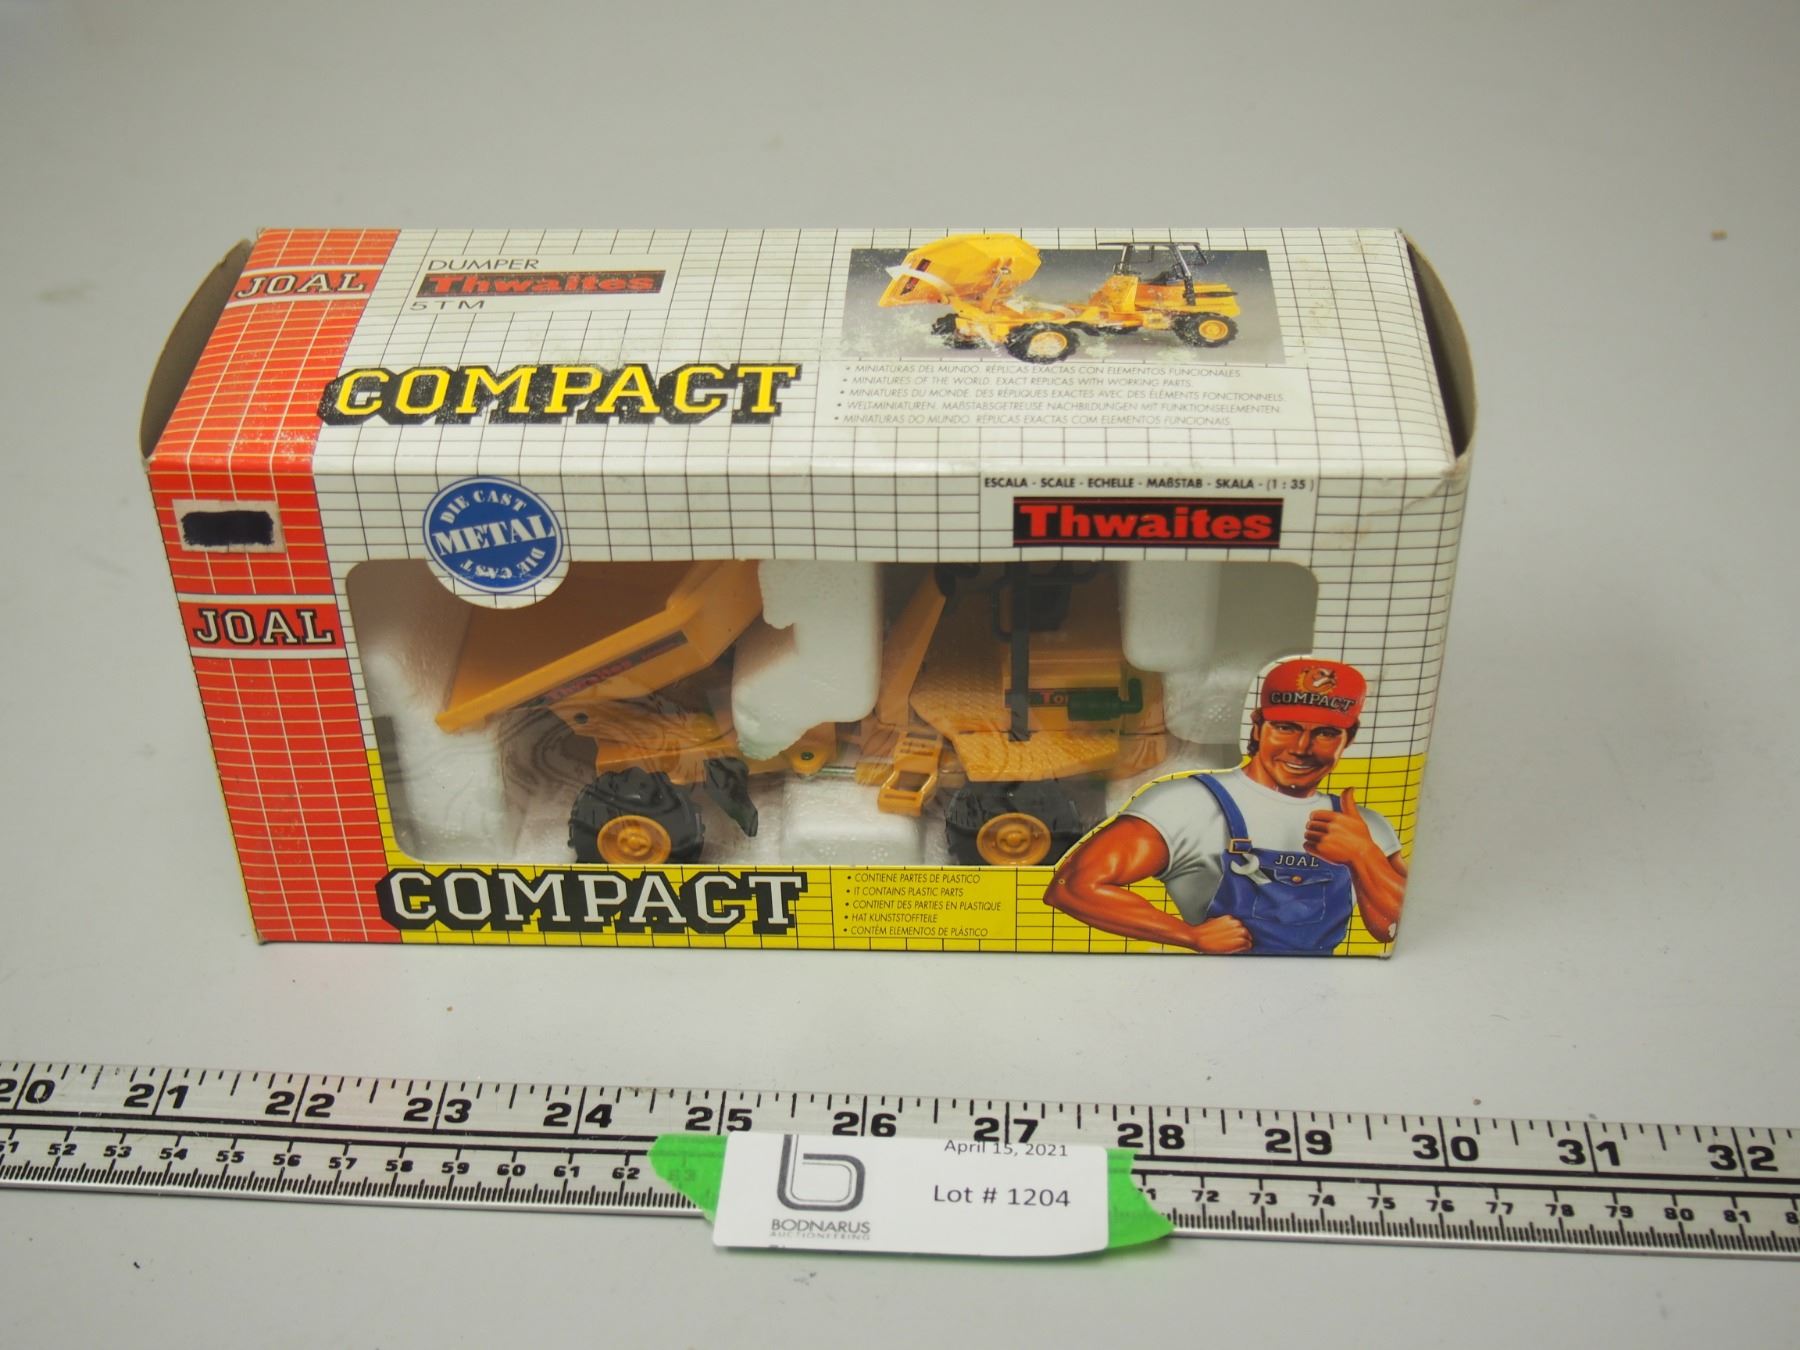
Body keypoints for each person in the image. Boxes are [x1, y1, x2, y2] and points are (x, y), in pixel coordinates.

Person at [1042, 658, 1407, 954]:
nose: (1301, 748)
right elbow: (1073, 886)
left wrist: (1364, 855)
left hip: (1319, 989)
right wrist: (1187, 935)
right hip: (1212, 987)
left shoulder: (1364, 826)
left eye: (1325, 734)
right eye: (1285, 728)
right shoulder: (1187, 804)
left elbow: (1391, 929)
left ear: (1348, 739)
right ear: (1258, 727)